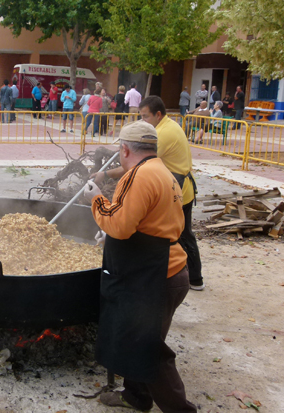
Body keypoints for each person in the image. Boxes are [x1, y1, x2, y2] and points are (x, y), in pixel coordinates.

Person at [84, 120, 196, 413]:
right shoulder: (164, 172)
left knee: (149, 349)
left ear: (124, 149)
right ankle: (136, 396)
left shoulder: (137, 176)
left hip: (157, 275)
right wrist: (112, 230)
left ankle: (181, 409)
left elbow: (120, 226)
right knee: (141, 340)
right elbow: (149, 221)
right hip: (169, 270)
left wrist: (95, 198)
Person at [93, 96, 204, 290]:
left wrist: (104, 176)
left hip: (176, 186)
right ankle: (186, 277)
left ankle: (192, 278)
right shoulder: (166, 126)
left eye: (145, 117)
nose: (142, 120)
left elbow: (136, 163)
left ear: (158, 114)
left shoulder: (161, 135)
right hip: (172, 185)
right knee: (174, 234)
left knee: (180, 235)